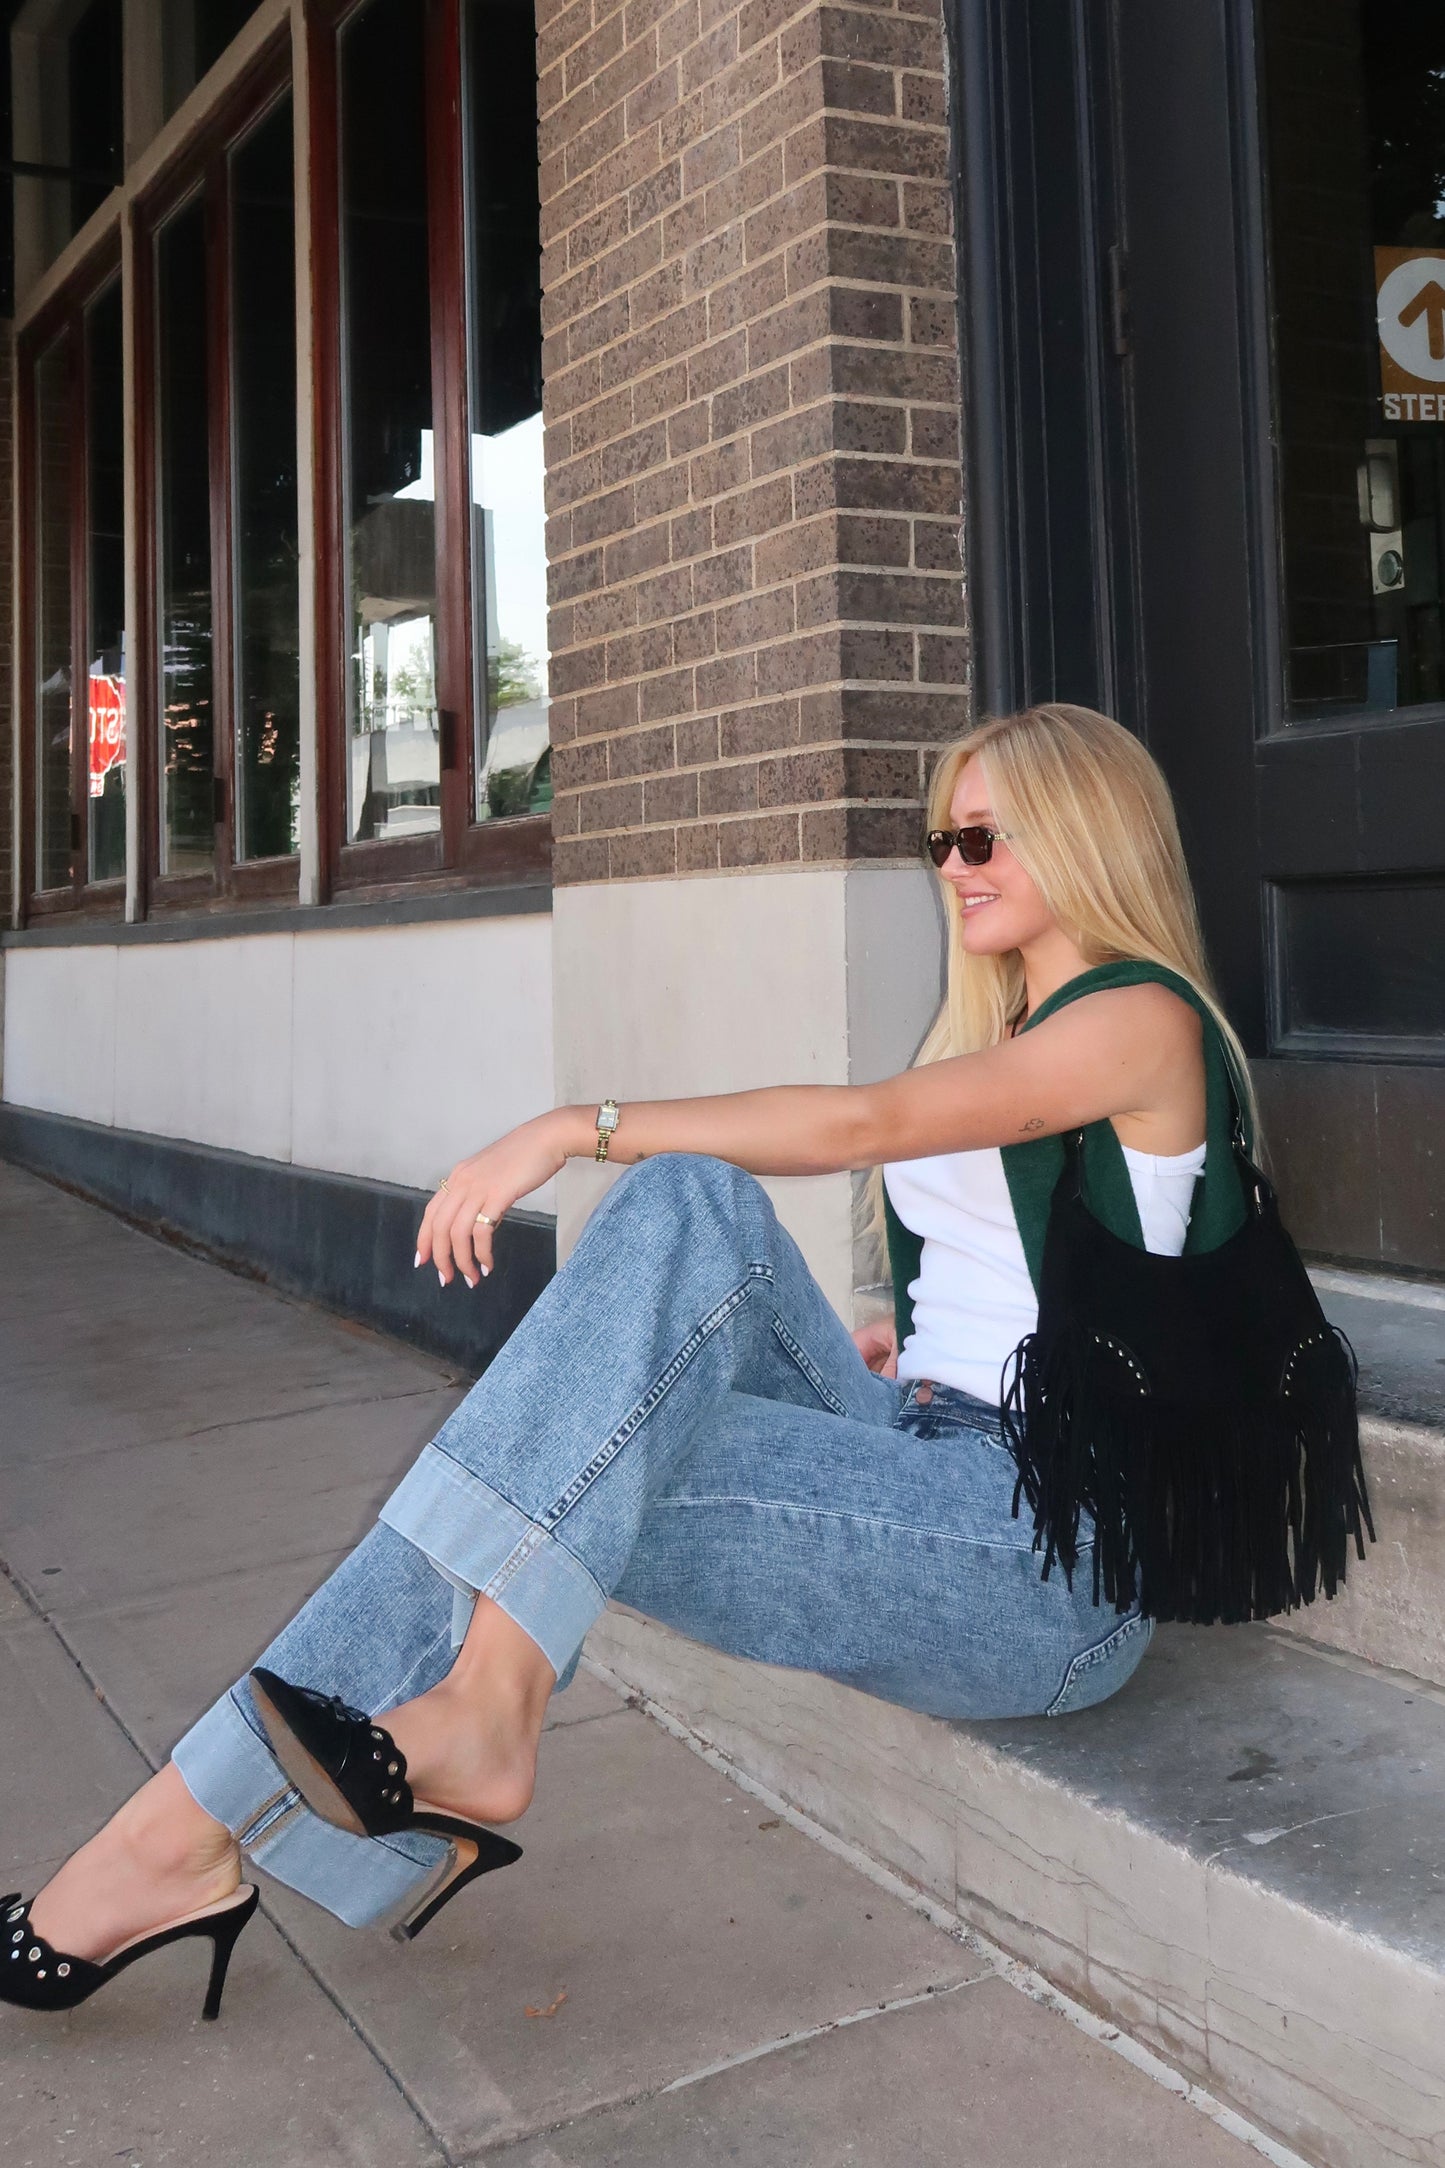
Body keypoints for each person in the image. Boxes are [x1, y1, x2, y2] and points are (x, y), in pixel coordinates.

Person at [4, 702, 1250, 2017]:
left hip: (1056, 1553)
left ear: (1085, 831)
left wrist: (572, 1126)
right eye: (940, 839)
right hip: (925, 1448)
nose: (954, 864)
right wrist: (915, 1359)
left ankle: (184, 1835)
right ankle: (434, 1730)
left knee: (549, 1445)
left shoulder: (1140, 1018)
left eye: (986, 835)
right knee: (674, 1224)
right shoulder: (994, 1039)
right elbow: (1012, 1273)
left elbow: (855, 1121)